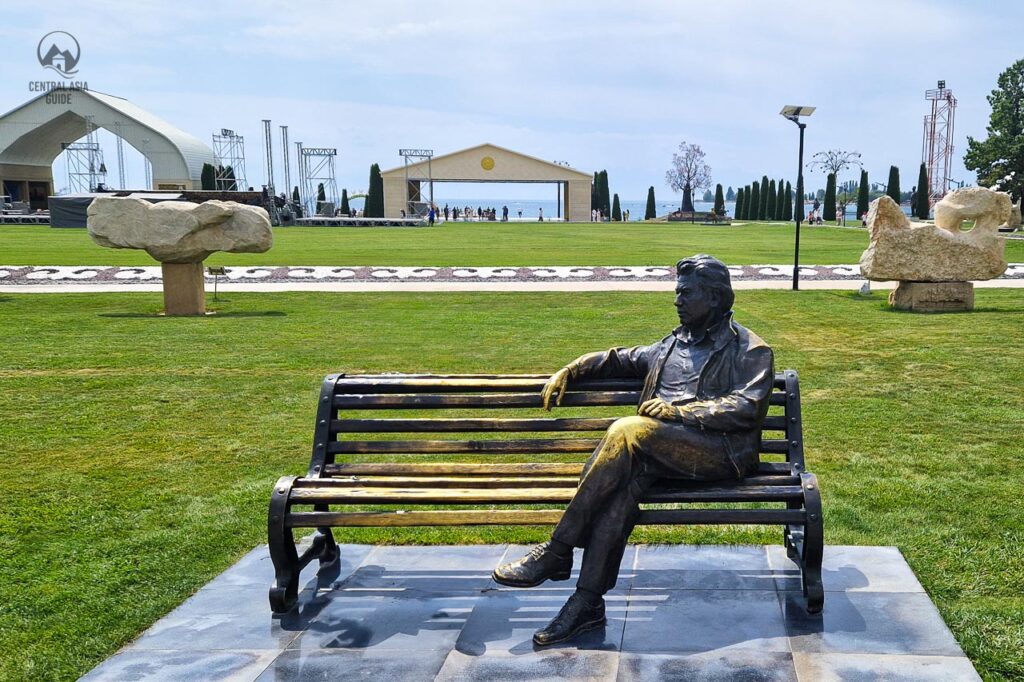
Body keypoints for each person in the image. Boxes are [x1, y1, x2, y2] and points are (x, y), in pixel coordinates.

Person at [492, 254, 774, 646]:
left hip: (718, 452)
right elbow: (617, 358)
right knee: (619, 490)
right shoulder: (670, 346)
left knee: (628, 430)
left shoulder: (750, 349)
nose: (676, 300)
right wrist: (572, 369)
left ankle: (557, 551)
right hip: (658, 455)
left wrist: (681, 412)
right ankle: (587, 603)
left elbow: (747, 406)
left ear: (713, 297)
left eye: (686, 293)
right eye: (677, 291)